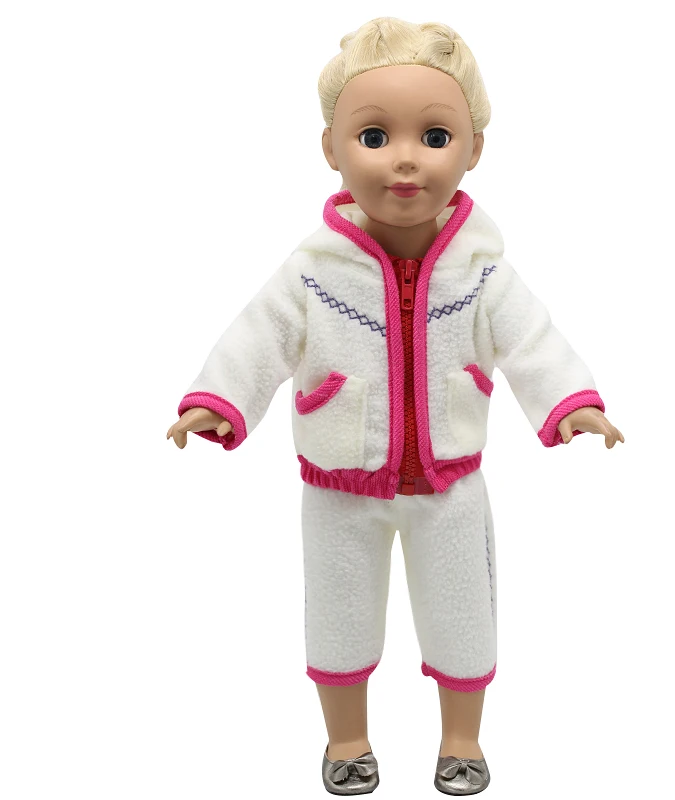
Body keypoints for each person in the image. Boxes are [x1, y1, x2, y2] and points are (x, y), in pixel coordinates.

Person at [166, 17, 624, 796]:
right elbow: (258, 337)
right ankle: (346, 741)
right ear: (331, 148)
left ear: (474, 149)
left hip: (451, 484)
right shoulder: (313, 269)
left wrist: (569, 401)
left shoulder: (482, 271)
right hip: (338, 483)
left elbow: (532, 340)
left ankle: (461, 740)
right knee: (338, 614)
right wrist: (220, 399)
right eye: (374, 136)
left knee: (464, 614)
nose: (405, 159)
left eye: (435, 136)